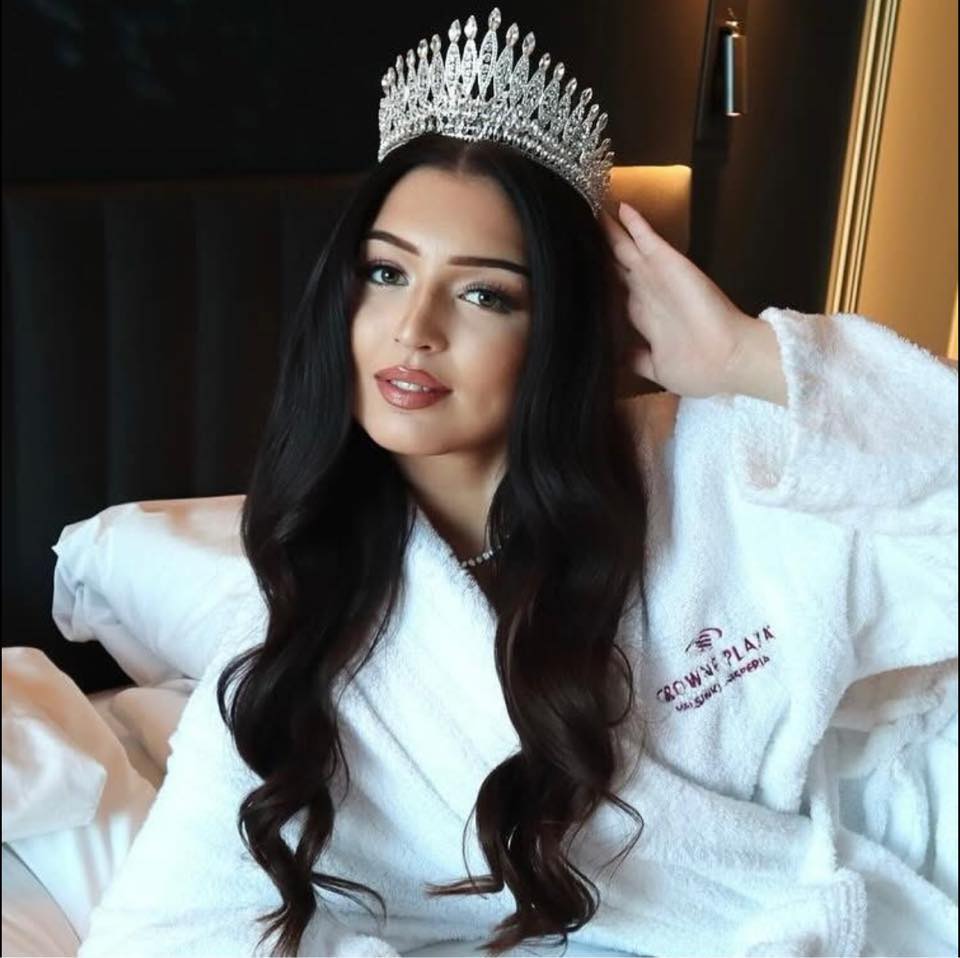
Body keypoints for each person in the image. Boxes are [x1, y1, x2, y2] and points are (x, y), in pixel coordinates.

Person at [79, 8, 958, 958]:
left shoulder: (712, 465)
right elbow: (159, 936)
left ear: (558, 329)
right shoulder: (297, 642)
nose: (414, 328)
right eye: (385, 272)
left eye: (483, 292)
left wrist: (748, 359)